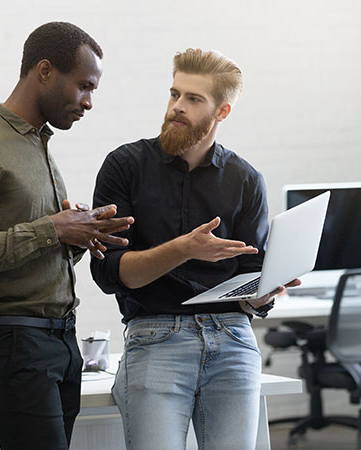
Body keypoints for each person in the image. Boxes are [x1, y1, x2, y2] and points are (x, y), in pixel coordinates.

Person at [0, 22, 133, 450]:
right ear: (44, 71)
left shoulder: (38, 146)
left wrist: (78, 235)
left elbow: (36, 248)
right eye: (83, 86)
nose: (89, 102)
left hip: (58, 339)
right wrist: (52, 229)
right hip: (11, 342)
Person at [90, 48, 300, 450]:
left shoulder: (245, 180)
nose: (177, 107)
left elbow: (248, 287)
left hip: (232, 337)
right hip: (155, 335)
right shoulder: (125, 166)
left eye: (193, 99)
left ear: (221, 113)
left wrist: (264, 294)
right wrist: (184, 249)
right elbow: (108, 274)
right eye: (174, 94)